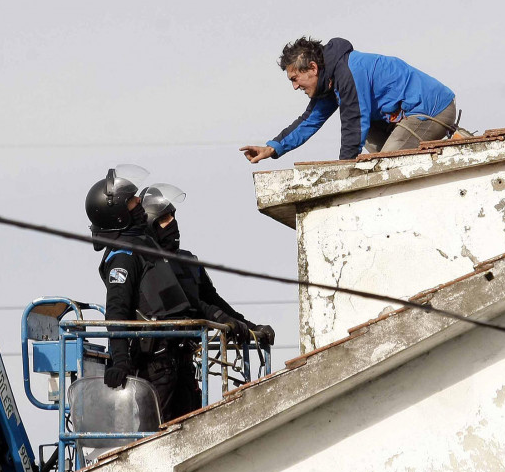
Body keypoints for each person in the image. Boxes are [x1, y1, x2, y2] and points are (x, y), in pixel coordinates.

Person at [85, 165, 199, 423]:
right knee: (155, 439)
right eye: (133, 201)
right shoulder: (123, 258)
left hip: (177, 359)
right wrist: (121, 362)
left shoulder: (145, 248)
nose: (139, 205)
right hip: (155, 366)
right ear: (117, 212)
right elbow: (117, 310)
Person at [241, 37, 458, 163]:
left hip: (431, 110)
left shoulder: (349, 72)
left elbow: (354, 123)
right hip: (399, 118)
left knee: (385, 164)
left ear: (313, 68)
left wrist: (342, 173)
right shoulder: (329, 81)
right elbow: (309, 120)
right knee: (377, 163)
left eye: (295, 78)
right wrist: (272, 148)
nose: (295, 86)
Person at [140, 183, 276, 348]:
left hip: (186, 353)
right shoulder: (145, 264)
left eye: (173, 217)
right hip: (156, 355)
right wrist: (219, 317)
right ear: (150, 225)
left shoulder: (188, 261)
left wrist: (250, 327)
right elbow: (186, 304)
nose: (173, 223)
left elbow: (212, 299)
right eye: (164, 219)